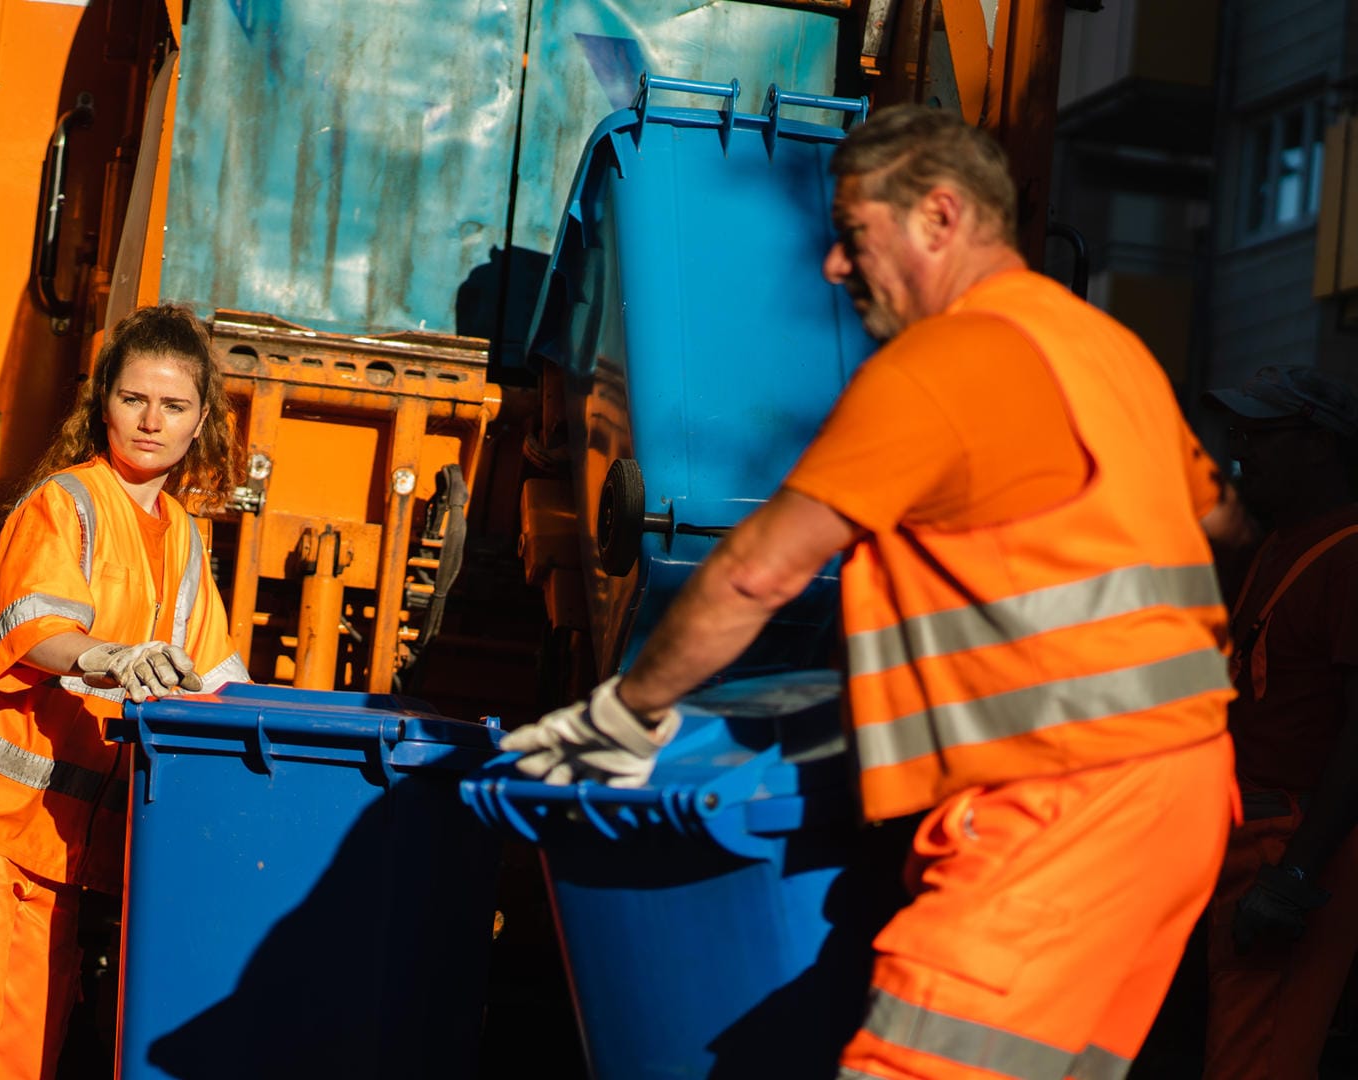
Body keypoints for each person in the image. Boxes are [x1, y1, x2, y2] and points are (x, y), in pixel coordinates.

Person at [503, 104, 1246, 1079]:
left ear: (940, 217)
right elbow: (1218, 526)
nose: (834, 269)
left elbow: (756, 570)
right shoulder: (1107, 352)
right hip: (1179, 793)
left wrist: (626, 712)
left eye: (853, 237)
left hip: (1064, 799)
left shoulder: (947, 362)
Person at [0, 304, 250, 1079]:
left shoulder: (182, 539)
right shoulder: (64, 502)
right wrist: (109, 656)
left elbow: (221, 682)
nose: (151, 421)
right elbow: (37, 631)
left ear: (199, 420)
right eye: (133, 399)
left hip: (59, 858)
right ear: (102, 399)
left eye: (173, 405)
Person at [1200, 364, 1358, 1080]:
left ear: (1320, 444)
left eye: (1260, 436)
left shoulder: (1349, 554)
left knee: (1257, 1060)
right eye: (1238, 434)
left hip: (1294, 846)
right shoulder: (1279, 542)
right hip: (1247, 836)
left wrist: (1296, 872)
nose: (1241, 452)